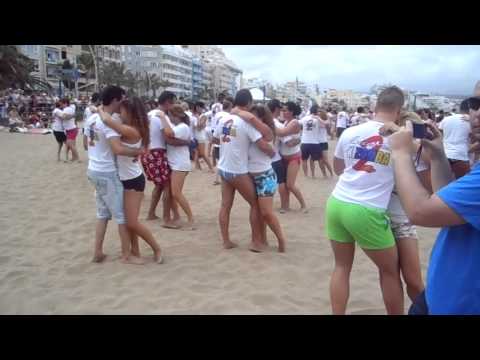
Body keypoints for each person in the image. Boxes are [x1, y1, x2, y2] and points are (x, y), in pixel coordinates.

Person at [388, 98, 480, 315]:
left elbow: (420, 212)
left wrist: (400, 153)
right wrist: (438, 156)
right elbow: (446, 204)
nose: (475, 113)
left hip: (460, 303)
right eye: (475, 105)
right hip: (442, 295)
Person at [326, 86, 406, 315]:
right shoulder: (399, 137)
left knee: (341, 267)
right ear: (398, 110)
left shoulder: (350, 132)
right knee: (390, 271)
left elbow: (338, 168)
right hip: (367, 209)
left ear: (375, 106)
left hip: (337, 202)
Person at [97, 98, 164, 264]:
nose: (120, 112)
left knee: (132, 222)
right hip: (124, 178)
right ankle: (135, 251)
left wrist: (98, 108)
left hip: (132, 180)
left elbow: (106, 119)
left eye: (123, 109)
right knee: (128, 221)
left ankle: (157, 249)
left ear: (131, 112)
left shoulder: (132, 130)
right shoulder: (131, 126)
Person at [83, 86, 144, 265]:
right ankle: (127, 255)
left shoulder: (92, 118)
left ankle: (97, 252)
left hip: (93, 169)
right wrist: (136, 152)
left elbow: (86, 145)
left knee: (102, 213)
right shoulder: (107, 122)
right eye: (122, 99)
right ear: (116, 100)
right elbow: (117, 149)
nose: (123, 103)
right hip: (107, 172)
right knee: (121, 216)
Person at [213, 89, 274, 251]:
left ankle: (226, 240)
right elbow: (264, 141)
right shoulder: (246, 123)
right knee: (255, 204)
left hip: (223, 168)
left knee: (225, 205)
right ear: (248, 103)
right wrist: (271, 152)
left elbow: (215, 137)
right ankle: (256, 241)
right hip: (238, 170)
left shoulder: (225, 119)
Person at [140, 91, 188, 227]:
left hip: (147, 152)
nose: (173, 106)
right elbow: (169, 138)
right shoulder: (160, 117)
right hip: (157, 153)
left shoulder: (149, 114)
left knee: (159, 186)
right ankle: (167, 219)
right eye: (173, 102)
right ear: (167, 102)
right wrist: (186, 142)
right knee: (167, 186)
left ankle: (151, 214)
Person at [246, 104, 286, 252]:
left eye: (255, 115)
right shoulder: (249, 132)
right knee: (255, 209)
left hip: (265, 176)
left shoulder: (267, 131)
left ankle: (281, 239)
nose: (251, 118)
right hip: (250, 176)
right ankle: (260, 240)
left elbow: (266, 148)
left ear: (262, 117)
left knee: (267, 212)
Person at [158, 105, 195, 230]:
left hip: (180, 164)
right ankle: (177, 217)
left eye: (170, 116)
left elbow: (169, 135)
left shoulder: (182, 127)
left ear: (176, 116)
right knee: (174, 193)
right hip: (176, 163)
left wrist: (162, 118)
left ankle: (191, 218)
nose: (169, 118)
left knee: (176, 193)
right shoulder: (179, 126)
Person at [279, 101, 307, 212]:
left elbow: (285, 138)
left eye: (285, 110)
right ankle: (285, 206)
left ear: (291, 112)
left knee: (290, 184)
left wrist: (294, 140)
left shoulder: (294, 122)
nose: (282, 112)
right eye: (282, 110)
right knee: (285, 184)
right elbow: (288, 141)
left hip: (293, 157)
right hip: (284, 156)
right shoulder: (286, 122)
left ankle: (303, 205)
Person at [438, 99, 472, 178]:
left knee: (443, 184)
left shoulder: (446, 119)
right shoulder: (470, 121)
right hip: (461, 156)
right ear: (471, 109)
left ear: (460, 108)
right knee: (463, 185)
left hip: (444, 156)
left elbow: (439, 135)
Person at [211, 98, 234, 185]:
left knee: (219, 159)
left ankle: (217, 178)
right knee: (223, 160)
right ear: (230, 106)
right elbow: (228, 129)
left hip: (216, 134)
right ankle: (218, 178)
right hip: (224, 137)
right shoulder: (228, 116)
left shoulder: (217, 114)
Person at [299, 104, 323, 178]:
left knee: (304, 160)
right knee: (313, 160)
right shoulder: (318, 119)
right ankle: (313, 175)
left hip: (304, 142)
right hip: (314, 143)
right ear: (316, 111)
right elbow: (324, 125)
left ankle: (306, 175)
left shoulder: (304, 118)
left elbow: (298, 124)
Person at [192, 101, 214, 172]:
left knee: (202, 154)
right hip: (195, 136)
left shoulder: (203, 116)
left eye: (200, 107)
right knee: (196, 152)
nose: (198, 108)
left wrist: (198, 118)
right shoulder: (194, 115)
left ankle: (211, 168)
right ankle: (198, 167)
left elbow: (199, 127)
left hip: (201, 136)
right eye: (197, 107)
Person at [59, 98, 81, 163]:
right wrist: (72, 116)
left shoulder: (66, 109)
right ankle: (74, 158)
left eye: (62, 104)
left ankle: (78, 158)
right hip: (72, 129)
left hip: (71, 129)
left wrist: (61, 115)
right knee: (72, 145)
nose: (61, 105)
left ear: (65, 103)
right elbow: (68, 116)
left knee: (71, 145)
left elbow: (64, 117)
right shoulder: (70, 108)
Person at [317, 110, 334, 177]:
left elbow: (326, 125)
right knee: (320, 161)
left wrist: (318, 118)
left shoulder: (326, 122)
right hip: (317, 143)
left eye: (319, 114)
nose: (318, 115)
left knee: (325, 160)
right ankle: (324, 175)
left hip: (324, 142)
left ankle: (331, 173)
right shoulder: (316, 121)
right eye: (317, 114)